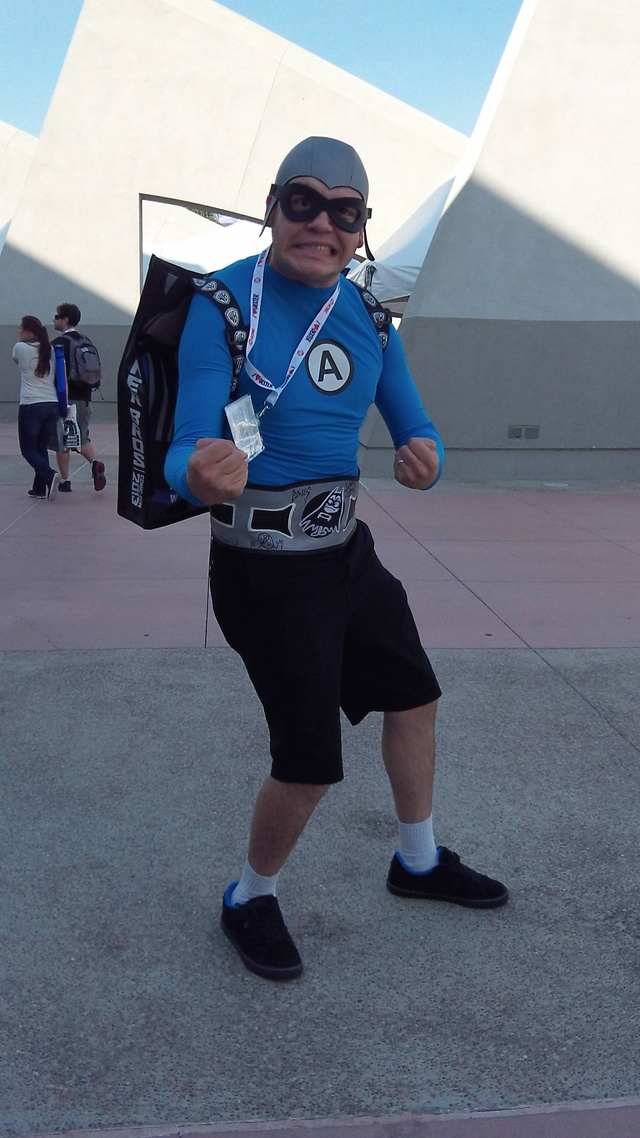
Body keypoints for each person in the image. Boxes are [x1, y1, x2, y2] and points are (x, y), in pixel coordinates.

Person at [165, 136, 508, 982]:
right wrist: (197, 473)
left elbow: (414, 423)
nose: (322, 224)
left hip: (347, 551)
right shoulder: (224, 303)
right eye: (304, 203)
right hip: (265, 570)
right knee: (310, 761)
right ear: (273, 206)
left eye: (344, 212)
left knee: (415, 698)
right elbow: (186, 442)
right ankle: (249, 897)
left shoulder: (371, 317)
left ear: (361, 228)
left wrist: (426, 457)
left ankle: (417, 861)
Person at [51, 303, 106, 493]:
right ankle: (95, 463)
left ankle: (65, 481)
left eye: (57, 316)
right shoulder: (85, 340)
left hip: (66, 399)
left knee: (62, 441)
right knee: (82, 437)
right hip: (86, 397)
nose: (54, 320)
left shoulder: (59, 343)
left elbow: (53, 373)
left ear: (65, 320)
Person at [12, 315, 65, 500]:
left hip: (31, 405)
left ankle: (50, 475)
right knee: (40, 447)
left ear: (29, 332)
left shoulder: (20, 348)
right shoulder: (50, 349)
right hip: (52, 405)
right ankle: (39, 489)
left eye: (20, 328)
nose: (18, 331)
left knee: (28, 449)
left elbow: (15, 360)